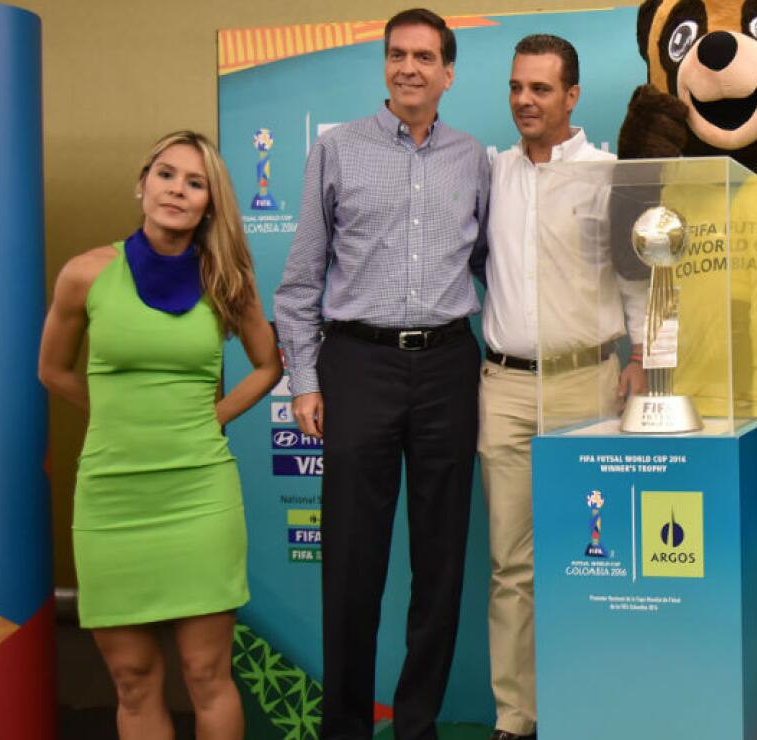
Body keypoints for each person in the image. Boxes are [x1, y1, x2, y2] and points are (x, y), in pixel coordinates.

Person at [272, 8, 489, 739]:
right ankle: (346, 727)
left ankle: (418, 723)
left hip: (450, 366)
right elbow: (299, 281)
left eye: (425, 57)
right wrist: (304, 380)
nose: (409, 68)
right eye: (397, 54)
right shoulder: (336, 151)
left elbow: (494, 269)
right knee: (354, 563)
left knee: (441, 562)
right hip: (357, 363)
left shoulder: (474, 160)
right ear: (385, 65)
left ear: (448, 73)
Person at [37, 130, 281, 740]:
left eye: (194, 182)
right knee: (134, 680)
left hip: (199, 492)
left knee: (206, 674)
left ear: (209, 203)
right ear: (142, 183)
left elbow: (269, 364)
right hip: (112, 496)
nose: (177, 190)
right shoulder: (86, 274)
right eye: (166, 175)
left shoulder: (226, 277)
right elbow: (52, 369)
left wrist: (213, 417)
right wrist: (116, 412)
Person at [478, 33, 647, 740]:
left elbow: (640, 278)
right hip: (505, 390)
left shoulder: (612, 174)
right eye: (518, 86)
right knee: (511, 568)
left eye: (541, 89)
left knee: (591, 562)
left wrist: (643, 359)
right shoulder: (487, 173)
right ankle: (516, 720)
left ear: (572, 96)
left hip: (590, 388)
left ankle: (590, 713)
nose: (525, 100)